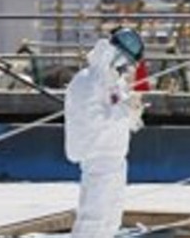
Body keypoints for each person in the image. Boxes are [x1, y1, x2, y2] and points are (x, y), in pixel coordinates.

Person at [64, 27, 145, 238]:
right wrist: (123, 113)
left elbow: (116, 112)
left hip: (116, 160)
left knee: (111, 220)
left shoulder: (113, 82)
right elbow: (93, 121)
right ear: (114, 51)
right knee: (94, 219)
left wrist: (133, 114)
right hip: (98, 160)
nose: (125, 66)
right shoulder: (86, 81)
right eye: (125, 59)